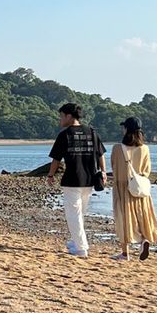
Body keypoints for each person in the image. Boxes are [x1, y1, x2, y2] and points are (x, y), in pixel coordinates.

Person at [47, 101, 106, 258]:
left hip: (72, 180)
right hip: (89, 179)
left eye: (61, 116)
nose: (60, 120)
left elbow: (56, 159)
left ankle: (81, 249)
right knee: (80, 213)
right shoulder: (92, 132)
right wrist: (104, 171)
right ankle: (75, 242)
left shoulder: (65, 135)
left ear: (68, 116)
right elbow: (101, 154)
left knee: (73, 214)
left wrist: (51, 175)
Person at [110, 116, 157, 261]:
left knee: (124, 218)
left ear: (126, 129)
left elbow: (114, 167)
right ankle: (144, 239)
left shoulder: (118, 148)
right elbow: (147, 170)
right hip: (140, 187)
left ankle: (125, 253)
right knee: (142, 216)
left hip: (122, 187)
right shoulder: (144, 149)